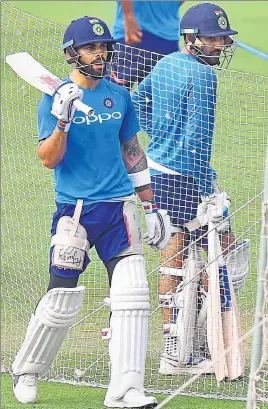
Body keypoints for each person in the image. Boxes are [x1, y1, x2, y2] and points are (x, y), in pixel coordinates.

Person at [11, 16, 171, 408]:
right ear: (72, 53)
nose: (100, 54)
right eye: (90, 48)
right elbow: (48, 160)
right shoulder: (52, 100)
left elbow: (132, 152)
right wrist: (62, 121)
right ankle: (28, 371)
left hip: (119, 208)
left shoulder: (118, 96)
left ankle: (125, 390)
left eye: (103, 47)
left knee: (133, 296)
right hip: (76, 210)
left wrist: (151, 204)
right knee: (61, 298)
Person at [132, 3, 249, 375]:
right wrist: (207, 191)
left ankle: (178, 346)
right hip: (186, 176)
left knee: (180, 255)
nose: (219, 46)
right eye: (213, 38)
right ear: (191, 38)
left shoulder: (166, 63)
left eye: (223, 39)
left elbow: (138, 106)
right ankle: (181, 351)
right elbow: (199, 141)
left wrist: (163, 135)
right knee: (215, 255)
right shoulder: (203, 77)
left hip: (158, 169)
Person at [110, 0, 183, 90]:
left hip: (132, 33)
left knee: (113, 98)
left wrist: (128, 16)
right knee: (160, 99)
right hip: (166, 34)